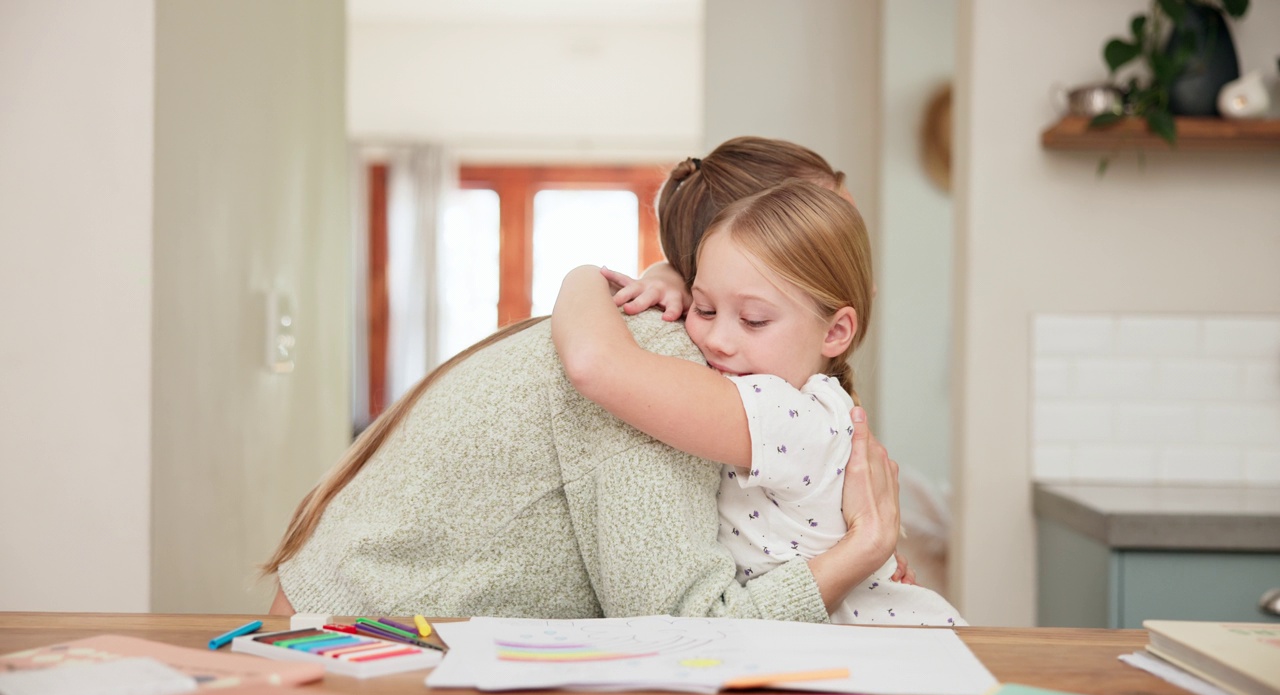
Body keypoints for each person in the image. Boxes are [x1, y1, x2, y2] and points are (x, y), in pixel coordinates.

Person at [263, 137, 907, 621]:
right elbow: (683, 630)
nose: (856, 266)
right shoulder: (665, 359)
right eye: (824, 231)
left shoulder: (698, 347)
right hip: (362, 632)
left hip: (374, 613)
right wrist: (856, 557)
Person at [551, 181, 962, 626]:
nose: (717, 340)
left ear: (835, 332)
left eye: (753, 320)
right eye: (704, 309)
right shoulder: (813, 403)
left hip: (894, 646)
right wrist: (664, 275)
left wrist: (583, 275)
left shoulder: (787, 415)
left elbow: (596, 364)